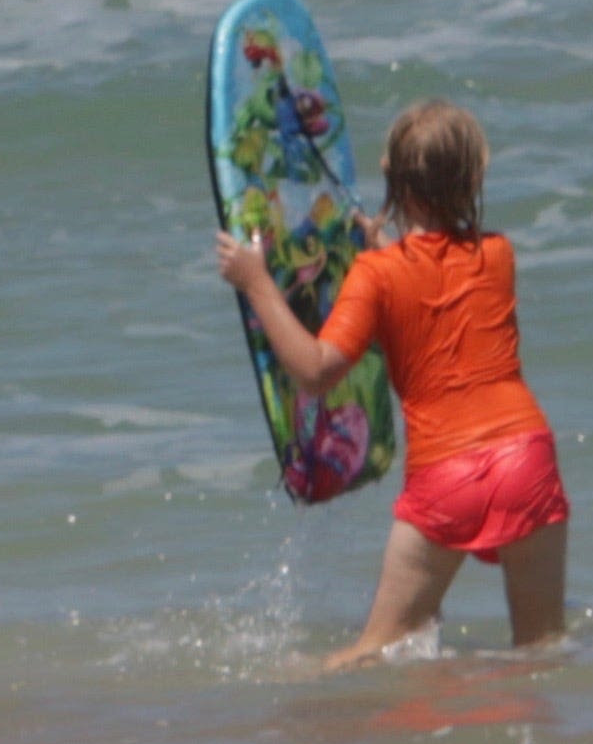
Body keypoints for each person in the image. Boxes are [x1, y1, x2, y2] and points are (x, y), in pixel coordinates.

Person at [216, 97, 568, 667]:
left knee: (374, 652)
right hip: (527, 458)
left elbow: (315, 372)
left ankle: (289, 722)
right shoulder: (498, 255)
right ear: (473, 178)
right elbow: (438, 294)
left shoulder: (377, 275)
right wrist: (386, 252)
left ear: (397, 183)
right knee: (544, 653)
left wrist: (257, 284)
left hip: (447, 473)